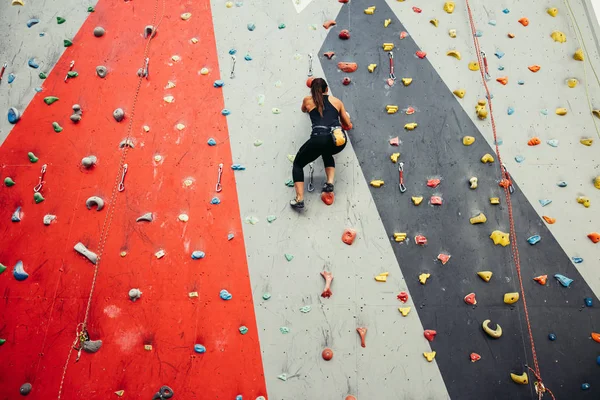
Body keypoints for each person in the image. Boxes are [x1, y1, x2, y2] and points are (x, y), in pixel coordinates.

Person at [290, 78, 352, 209]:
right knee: (326, 151)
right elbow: (347, 124)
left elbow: (303, 110)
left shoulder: (307, 100)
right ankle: (329, 182)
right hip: (339, 139)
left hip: (319, 138)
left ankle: (299, 198)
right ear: (327, 89)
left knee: (298, 164)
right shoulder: (337, 101)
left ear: (312, 90)